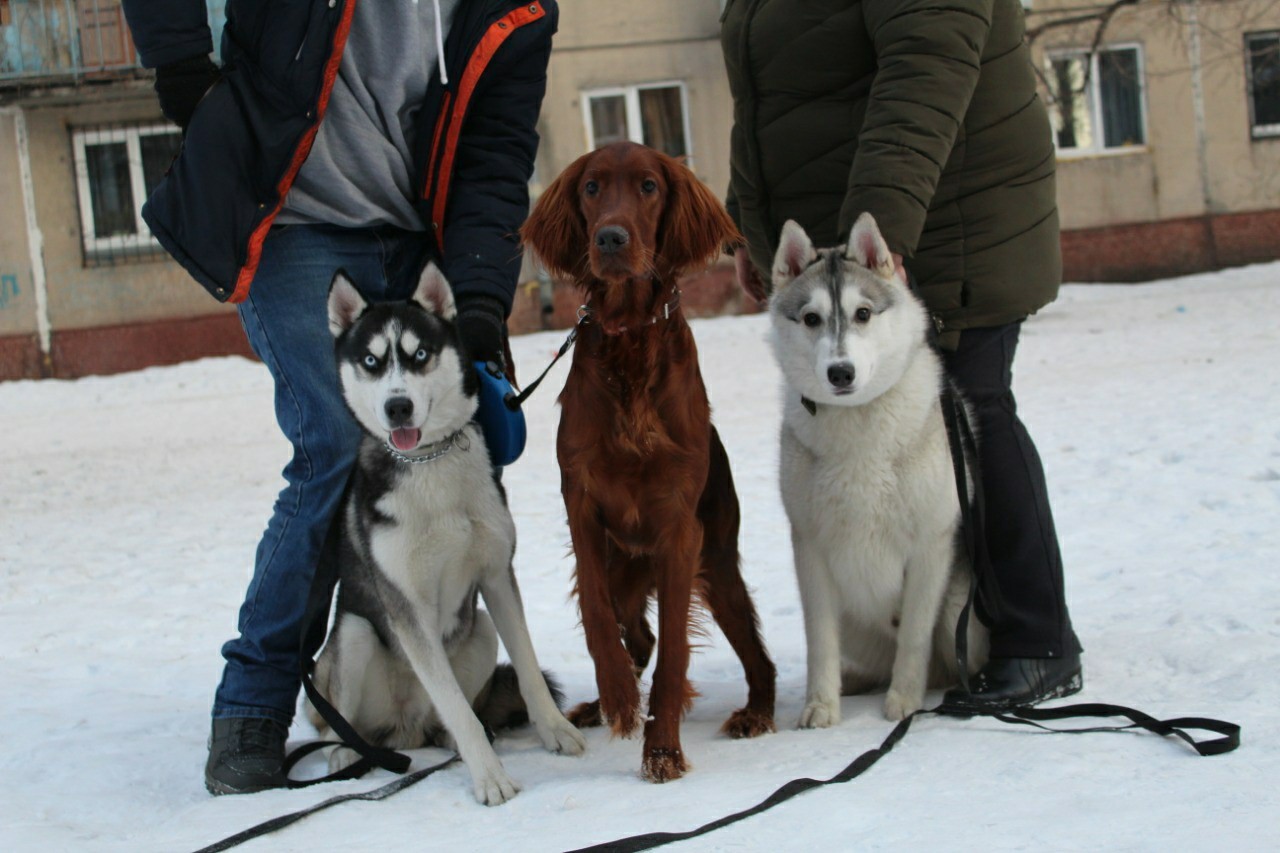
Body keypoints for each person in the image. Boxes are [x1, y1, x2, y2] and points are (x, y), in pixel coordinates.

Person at [121, 0, 559, 794]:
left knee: (449, 442)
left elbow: (494, 155)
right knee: (331, 444)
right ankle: (250, 710)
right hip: (293, 219)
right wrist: (184, 70)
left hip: (418, 227)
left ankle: (430, 673)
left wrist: (484, 305)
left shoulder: (516, 7)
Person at [720, 0, 1083, 711]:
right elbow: (764, 93)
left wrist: (883, 237)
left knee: (969, 411)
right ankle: (925, 639)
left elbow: (926, 69)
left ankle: (1035, 637)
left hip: (944, 218)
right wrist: (748, 225)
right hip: (846, 238)